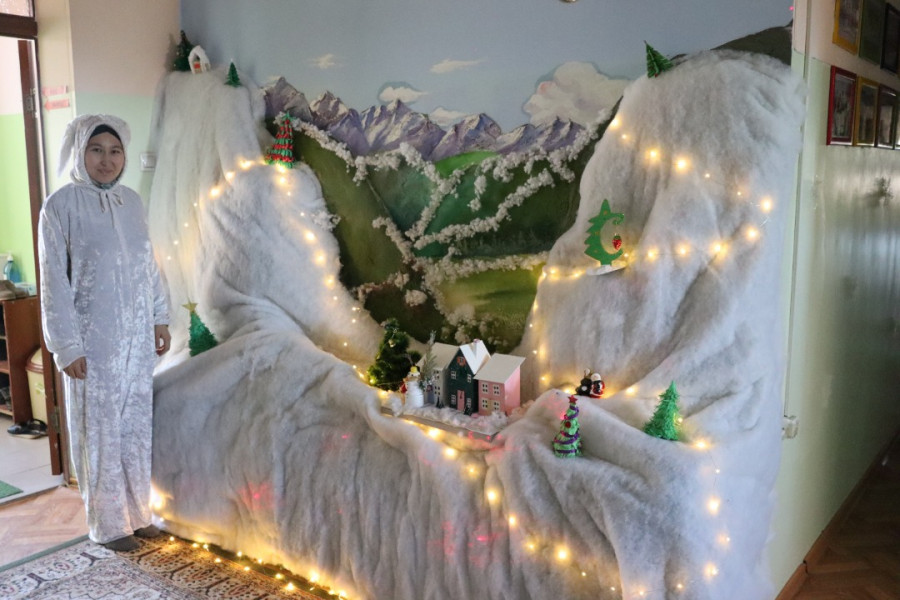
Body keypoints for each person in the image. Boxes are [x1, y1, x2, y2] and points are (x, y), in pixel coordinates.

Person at [38, 114, 171, 552]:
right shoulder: (60, 206)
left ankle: (138, 515)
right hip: (93, 344)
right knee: (100, 432)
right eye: (96, 150)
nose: (106, 160)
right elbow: (53, 283)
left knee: (134, 427)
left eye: (115, 151)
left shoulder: (131, 202)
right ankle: (109, 525)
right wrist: (66, 346)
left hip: (137, 340)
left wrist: (160, 317)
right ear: (80, 153)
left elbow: (149, 265)